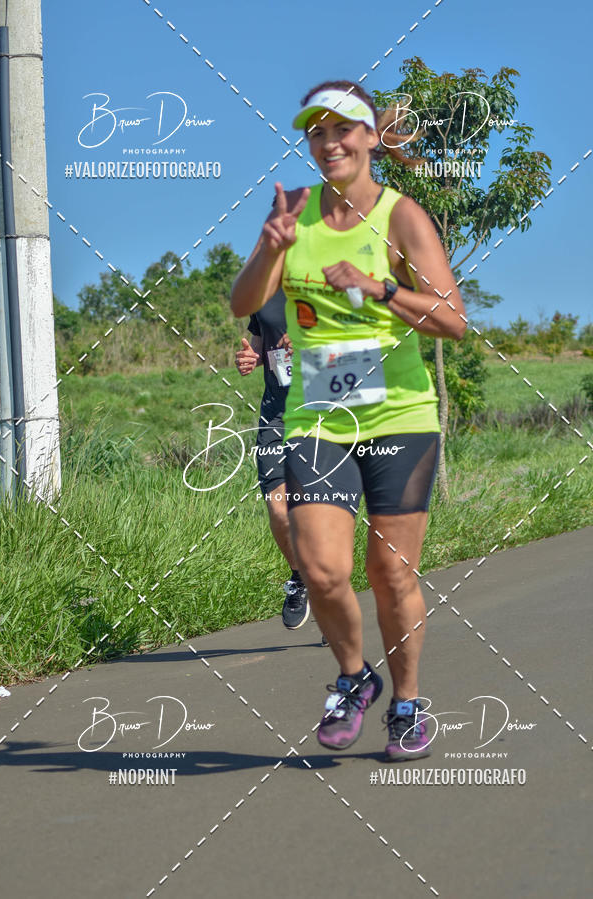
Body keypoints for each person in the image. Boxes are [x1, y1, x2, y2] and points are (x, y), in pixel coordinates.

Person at [231, 80, 466, 761]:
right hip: (318, 416)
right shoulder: (294, 216)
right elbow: (243, 300)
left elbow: (451, 319)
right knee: (323, 567)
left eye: (342, 130)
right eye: (317, 133)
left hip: (399, 412)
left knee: (390, 572)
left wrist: (382, 287)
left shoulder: (401, 218)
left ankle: (407, 702)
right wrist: (271, 247)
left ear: (368, 138)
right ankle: (353, 675)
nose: (329, 143)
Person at [235, 289, 312, 631]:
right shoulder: (263, 293)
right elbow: (259, 345)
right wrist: (251, 358)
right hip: (275, 416)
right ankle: (301, 578)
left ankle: (331, 590)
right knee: (279, 509)